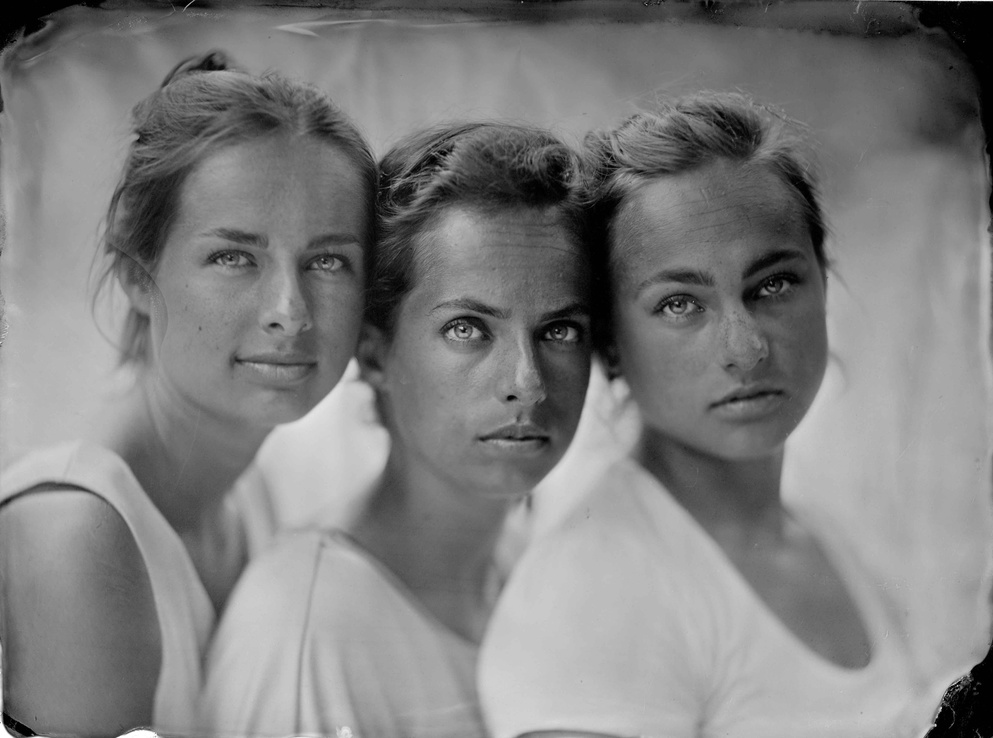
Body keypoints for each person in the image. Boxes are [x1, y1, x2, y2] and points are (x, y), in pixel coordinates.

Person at [477, 92, 943, 738]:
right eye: (679, 304)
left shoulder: (827, 535)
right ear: (610, 343)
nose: (746, 348)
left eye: (773, 284)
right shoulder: (596, 594)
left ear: (822, 280)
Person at [0, 51, 376, 738]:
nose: (290, 312)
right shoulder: (72, 538)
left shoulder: (255, 499)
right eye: (233, 257)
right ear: (136, 273)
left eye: (328, 260)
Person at [198, 121, 596, 738]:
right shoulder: (308, 628)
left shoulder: (536, 574)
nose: (529, 383)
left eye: (559, 331)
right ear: (375, 354)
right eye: (467, 328)